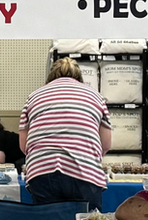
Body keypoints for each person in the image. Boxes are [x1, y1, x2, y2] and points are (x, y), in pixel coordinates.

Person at [18, 58, 111, 210]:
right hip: (84, 172)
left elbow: (24, 145)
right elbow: (106, 145)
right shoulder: (96, 96)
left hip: (42, 171)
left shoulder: (33, 97)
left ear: (50, 77)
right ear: (79, 78)